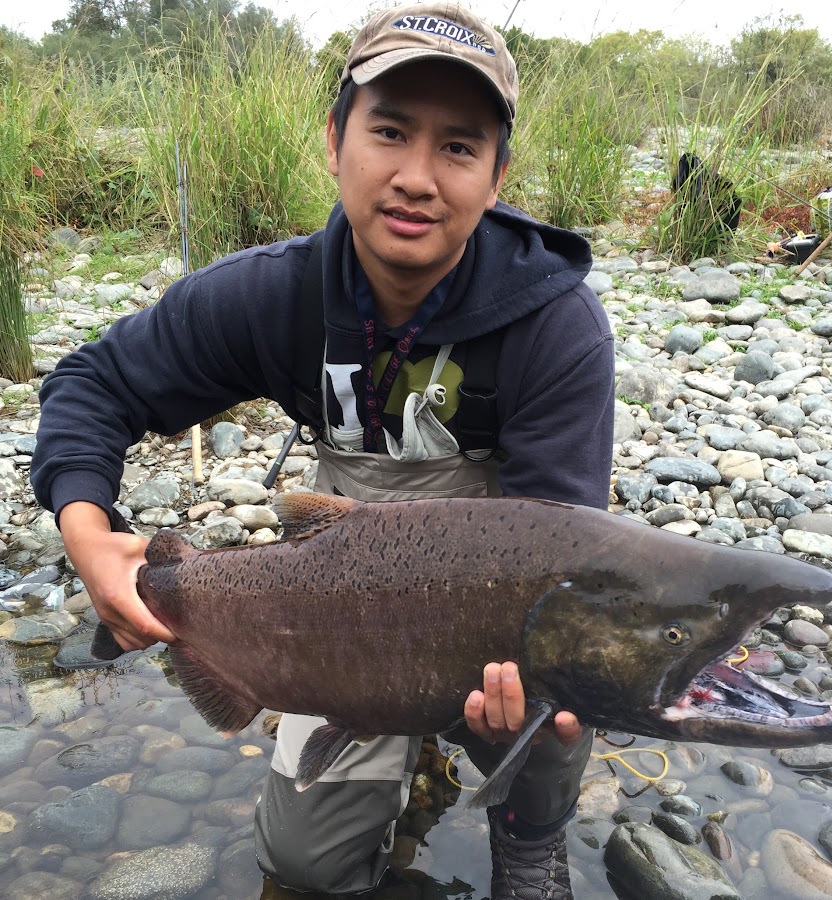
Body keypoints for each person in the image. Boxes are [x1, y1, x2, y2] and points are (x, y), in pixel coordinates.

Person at [30, 2, 615, 896]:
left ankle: (529, 831)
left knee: (565, 686)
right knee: (302, 863)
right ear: (335, 141)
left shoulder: (556, 327)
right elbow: (91, 383)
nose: (416, 177)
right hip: (342, 598)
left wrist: (526, 697)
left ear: (497, 176)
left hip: (494, 612)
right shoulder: (273, 297)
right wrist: (88, 531)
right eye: (390, 131)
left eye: (459, 147)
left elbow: (563, 555)